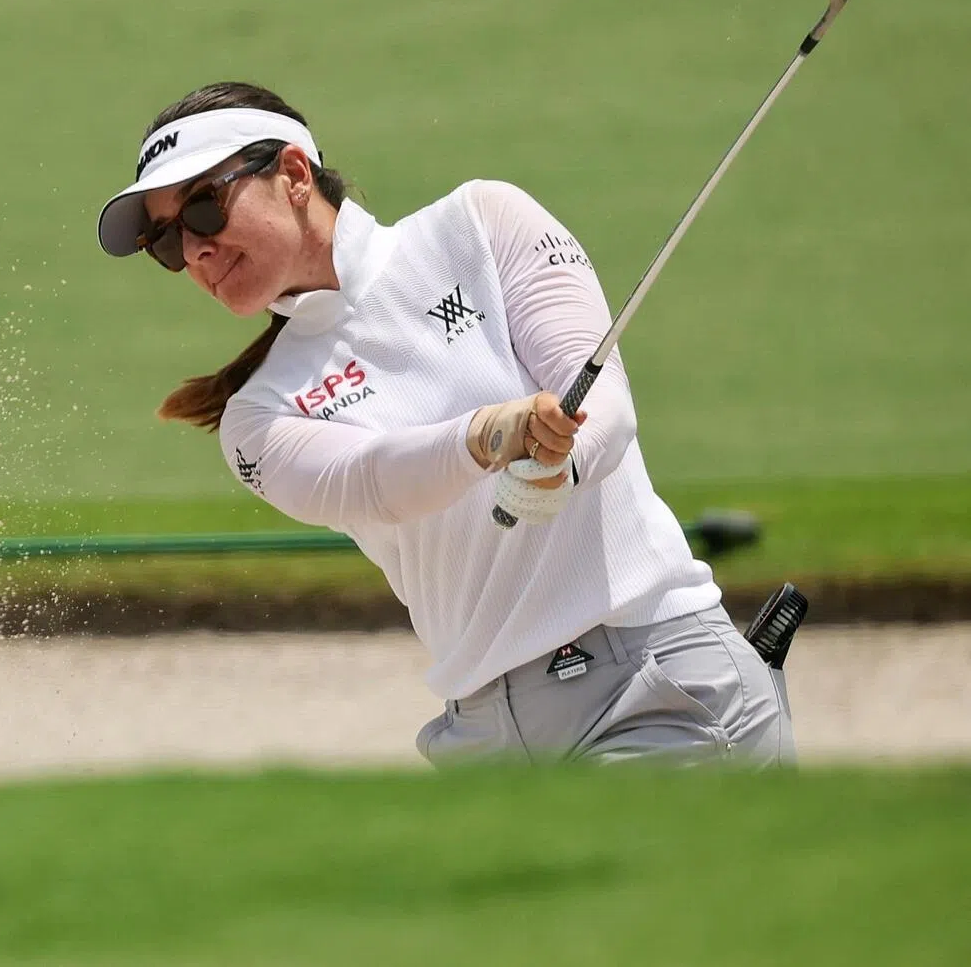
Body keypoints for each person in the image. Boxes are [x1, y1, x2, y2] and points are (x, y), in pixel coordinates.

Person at [96, 80, 795, 767]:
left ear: (294, 174)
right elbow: (372, 482)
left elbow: (605, 406)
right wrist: (492, 434)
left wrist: (558, 461)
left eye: (205, 211)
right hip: (484, 736)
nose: (192, 252)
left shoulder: (481, 225)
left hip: (650, 685)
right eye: (165, 243)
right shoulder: (254, 415)